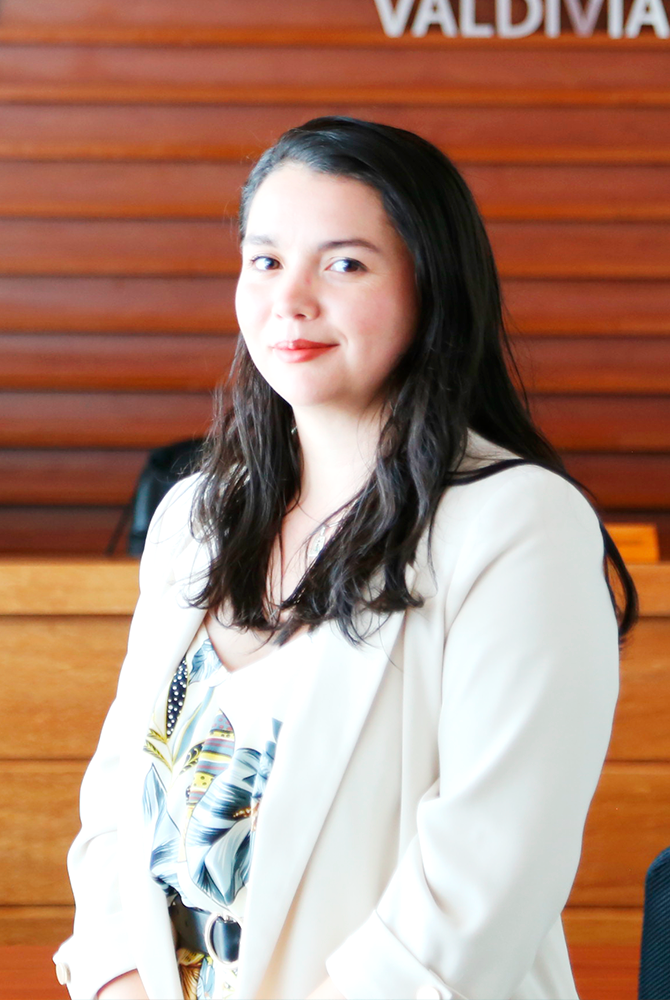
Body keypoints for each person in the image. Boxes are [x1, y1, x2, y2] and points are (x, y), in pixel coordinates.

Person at [53, 116, 636, 1000]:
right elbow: (115, 808)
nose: (289, 300)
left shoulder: (520, 526)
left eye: (346, 264)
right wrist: (116, 982)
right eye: (265, 260)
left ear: (431, 285)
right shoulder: (196, 519)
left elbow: (478, 888)